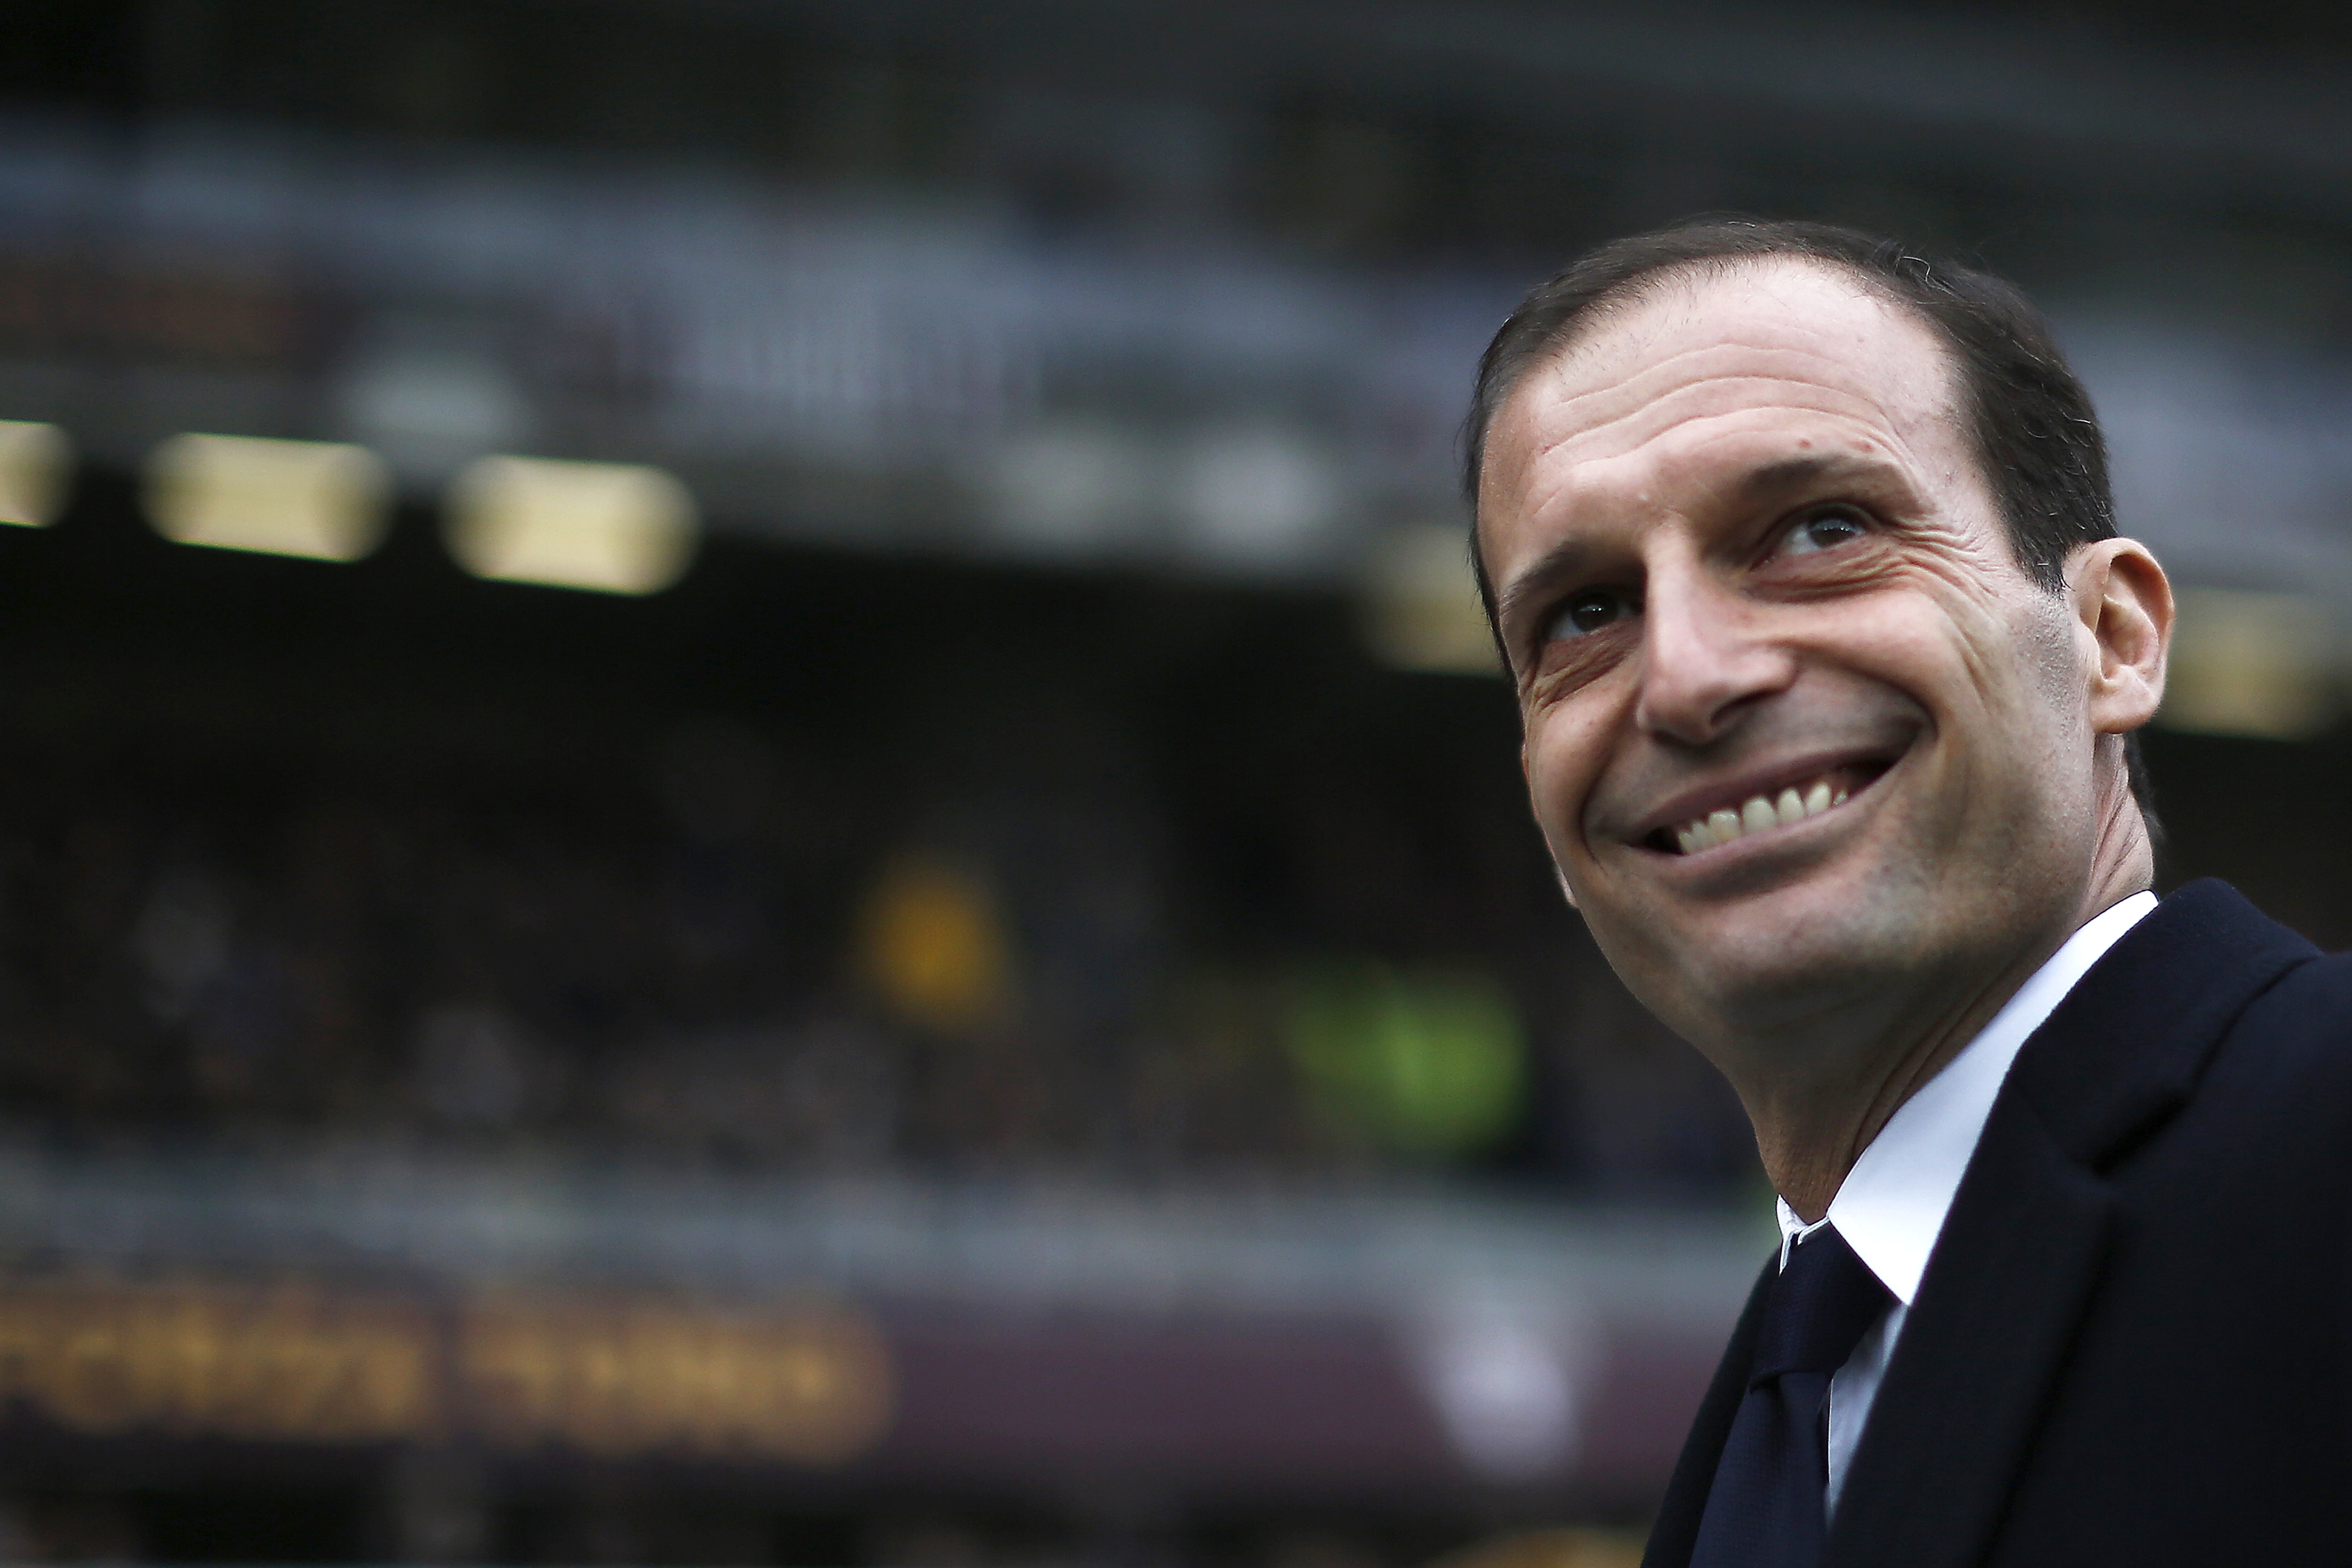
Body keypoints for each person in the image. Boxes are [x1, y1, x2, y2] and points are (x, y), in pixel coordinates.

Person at [1463, 218, 2352, 1567]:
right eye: (1584, 615)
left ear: (2113, 638)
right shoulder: (1787, 1389)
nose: (1686, 678)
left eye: (1822, 530)